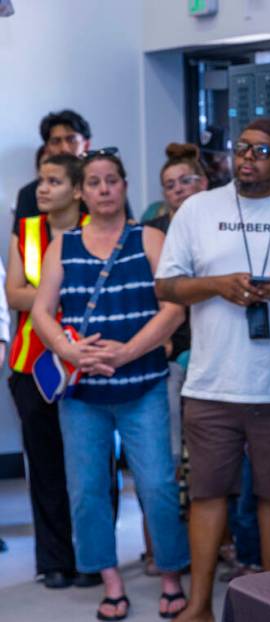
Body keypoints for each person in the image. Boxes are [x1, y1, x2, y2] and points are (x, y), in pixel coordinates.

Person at [154, 118, 270, 622]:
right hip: (212, 383)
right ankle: (198, 607)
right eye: (241, 149)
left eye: (261, 150)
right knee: (209, 493)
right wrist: (217, 285)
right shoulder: (198, 210)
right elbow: (165, 287)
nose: (247, 158)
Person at [31, 149, 190, 620]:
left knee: (159, 485)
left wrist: (127, 352)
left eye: (112, 181)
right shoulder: (63, 244)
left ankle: (170, 574)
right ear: (80, 191)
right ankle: (111, 581)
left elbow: (174, 308)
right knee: (87, 490)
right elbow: (41, 311)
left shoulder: (151, 238)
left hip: (143, 384)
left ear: (124, 186)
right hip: (82, 394)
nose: (104, 189)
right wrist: (68, 349)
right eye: (94, 182)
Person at [5, 154, 92, 589]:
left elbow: (31, 294)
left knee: (92, 467)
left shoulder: (99, 231)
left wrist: (40, 295)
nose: (41, 189)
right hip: (32, 367)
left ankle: (95, 556)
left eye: (53, 181)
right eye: (41, 180)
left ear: (77, 191)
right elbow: (14, 296)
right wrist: (57, 295)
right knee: (45, 468)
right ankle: (55, 560)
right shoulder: (27, 232)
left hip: (89, 364)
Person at [139, 143, 209, 576]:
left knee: (207, 461)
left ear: (204, 183)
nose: (180, 189)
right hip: (169, 355)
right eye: (170, 185)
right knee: (164, 459)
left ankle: (216, 545)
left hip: (216, 355)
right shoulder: (153, 231)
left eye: (187, 180)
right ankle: (161, 551)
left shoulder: (222, 222)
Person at [12, 110, 91, 232]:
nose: (64, 148)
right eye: (56, 141)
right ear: (47, 148)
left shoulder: (104, 187)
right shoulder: (29, 194)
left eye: (71, 140)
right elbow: (21, 244)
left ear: (86, 145)